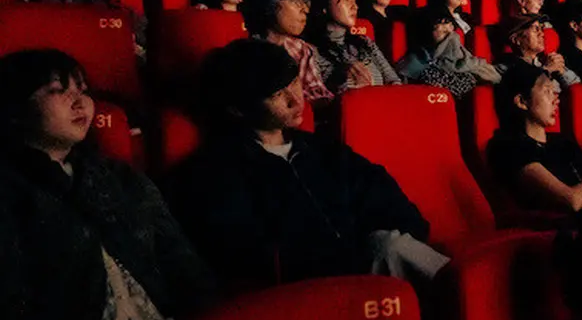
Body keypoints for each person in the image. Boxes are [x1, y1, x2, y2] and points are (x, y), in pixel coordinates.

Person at [164, 40, 446, 290]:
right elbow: (244, 261)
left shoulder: (322, 150)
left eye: (294, 83)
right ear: (238, 109)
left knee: (392, 247)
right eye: (276, 94)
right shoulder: (213, 175)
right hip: (301, 298)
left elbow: (389, 200)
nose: (295, 99)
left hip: (369, 284)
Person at [0, 49, 214, 320]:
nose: (80, 102)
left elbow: (179, 258)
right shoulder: (10, 191)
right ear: (15, 110)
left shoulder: (118, 176)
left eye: (83, 90)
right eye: (58, 91)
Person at [486, 61, 582, 212]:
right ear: (522, 101)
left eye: (555, 92)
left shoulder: (563, 141)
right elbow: (572, 200)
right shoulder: (509, 148)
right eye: (547, 91)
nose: (556, 100)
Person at [243, 0, 336, 104]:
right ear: (269, 3)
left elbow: (317, 96)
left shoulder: (301, 49)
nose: (305, 9)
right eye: (295, 0)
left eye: (303, 1)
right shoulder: (247, 54)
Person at [303, 0, 401, 91]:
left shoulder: (365, 42)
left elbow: (394, 82)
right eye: (346, 0)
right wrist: (340, 77)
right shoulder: (309, 51)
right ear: (324, 6)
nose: (354, 7)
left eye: (354, 1)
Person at [396, 8, 501, 97]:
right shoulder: (421, 66)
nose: (447, 27)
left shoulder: (466, 58)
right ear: (427, 31)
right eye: (439, 24)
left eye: (448, 22)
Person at [496, 14, 581, 86]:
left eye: (541, 29)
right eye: (535, 29)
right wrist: (546, 71)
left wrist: (562, 71)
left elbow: (576, 86)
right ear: (516, 40)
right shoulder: (506, 68)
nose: (542, 34)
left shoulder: (546, 61)